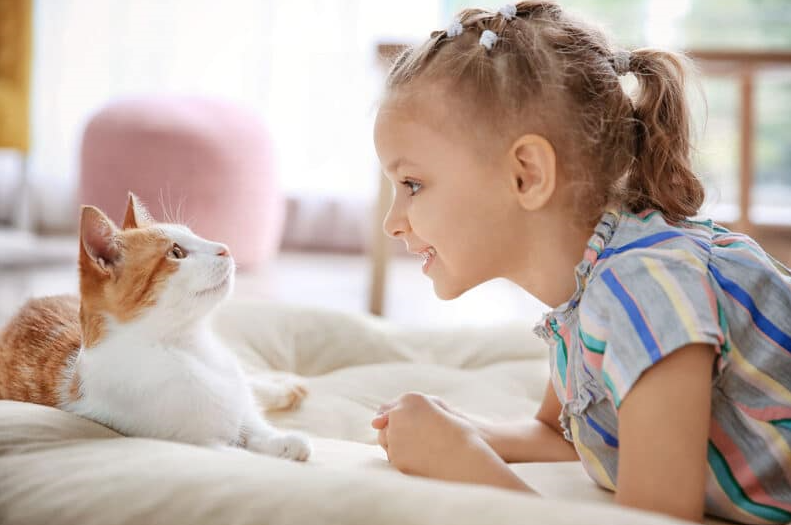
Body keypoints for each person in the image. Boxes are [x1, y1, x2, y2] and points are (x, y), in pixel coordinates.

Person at [369, 2, 791, 523]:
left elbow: (654, 520)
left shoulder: (646, 288)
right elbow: (564, 437)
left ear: (526, 174)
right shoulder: (589, 291)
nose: (393, 221)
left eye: (412, 184)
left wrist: (464, 465)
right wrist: (461, 430)